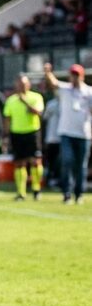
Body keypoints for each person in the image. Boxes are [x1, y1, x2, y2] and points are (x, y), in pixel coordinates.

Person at [43, 63, 92, 204]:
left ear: (81, 76)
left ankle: (79, 193)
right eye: (72, 75)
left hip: (84, 134)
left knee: (81, 165)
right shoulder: (65, 90)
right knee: (67, 161)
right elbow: (53, 83)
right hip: (66, 133)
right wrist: (48, 72)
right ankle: (67, 193)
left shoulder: (89, 92)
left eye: (77, 75)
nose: (74, 77)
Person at [2, 75, 45, 201]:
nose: (21, 86)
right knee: (19, 163)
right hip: (17, 134)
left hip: (32, 132)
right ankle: (21, 192)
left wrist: (24, 101)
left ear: (29, 85)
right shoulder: (11, 100)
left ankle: (36, 189)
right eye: (19, 84)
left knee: (35, 161)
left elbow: (38, 112)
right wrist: (5, 135)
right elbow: (7, 118)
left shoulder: (36, 97)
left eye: (24, 84)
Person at [42, 92, 60, 188]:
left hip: (64, 139)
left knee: (61, 162)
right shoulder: (51, 104)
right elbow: (45, 118)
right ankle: (48, 180)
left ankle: (58, 180)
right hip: (51, 138)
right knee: (50, 161)